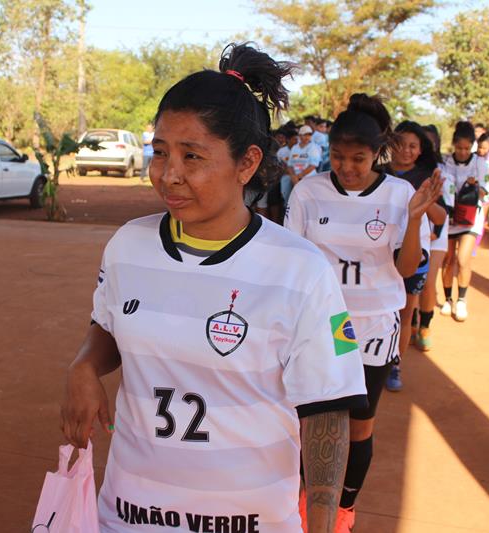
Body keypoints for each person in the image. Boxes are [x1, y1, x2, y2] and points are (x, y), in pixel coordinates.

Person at [60, 43, 368, 533]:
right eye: (159, 153)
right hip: (126, 517)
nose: (169, 174)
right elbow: (108, 325)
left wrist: (325, 522)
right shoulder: (127, 246)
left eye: (192, 156)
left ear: (246, 164)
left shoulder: (301, 270)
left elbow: (327, 410)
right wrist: (84, 366)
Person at [286, 93, 443, 533]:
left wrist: (413, 220)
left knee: (358, 422)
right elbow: (292, 260)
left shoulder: (399, 195)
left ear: (378, 154)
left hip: (373, 321)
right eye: (337, 157)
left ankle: (344, 509)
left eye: (358, 158)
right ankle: (307, 498)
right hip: (322, 321)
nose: (347, 168)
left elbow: (407, 268)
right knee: (313, 416)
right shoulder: (308, 192)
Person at [382, 120, 446, 391]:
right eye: (401, 144)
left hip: (415, 255)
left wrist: (425, 204)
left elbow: (442, 218)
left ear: (421, 150)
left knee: (406, 313)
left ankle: (394, 364)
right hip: (381, 253)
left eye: (413, 146)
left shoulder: (426, 176)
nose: (406, 151)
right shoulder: (378, 172)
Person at [440, 121, 487, 322]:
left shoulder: (480, 164)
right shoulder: (446, 162)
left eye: (467, 148)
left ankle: (461, 300)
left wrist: (474, 187)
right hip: (450, 218)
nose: (462, 152)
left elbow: (485, 191)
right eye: (459, 148)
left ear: (472, 147)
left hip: (470, 218)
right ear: (453, 145)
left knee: (463, 259)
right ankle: (448, 299)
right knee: (448, 259)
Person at [417, 124, 454, 352]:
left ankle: (425, 325)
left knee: (428, 282)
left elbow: (446, 207)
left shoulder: (443, 172)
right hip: (414, 233)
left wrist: (435, 233)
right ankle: (410, 323)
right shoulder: (411, 171)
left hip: (436, 236)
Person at [278, 127, 298, 205]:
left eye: (297, 139)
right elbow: (279, 166)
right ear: (288, 140)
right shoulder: (281, 152)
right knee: (286, 198)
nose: (297, 141)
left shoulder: (300, 150)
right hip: (286, 176)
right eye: (294, 139)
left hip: (299, 175)